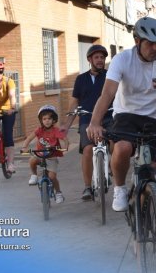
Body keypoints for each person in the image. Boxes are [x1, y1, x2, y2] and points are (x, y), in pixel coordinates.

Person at [85, 17, 156, 251]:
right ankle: (119, 187)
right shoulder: (122, 60)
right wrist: (95, 122)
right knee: (123, 148)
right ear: (137, 40)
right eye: (150, 43)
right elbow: (108, 93)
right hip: (126, 114)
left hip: (154, 118)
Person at [61, 44, 111, 201]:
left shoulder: (110, 77)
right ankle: (87, 187)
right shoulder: (81, 79)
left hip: (109, 118)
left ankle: (114, 174)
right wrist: (66, 126)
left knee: (117, 145)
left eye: (102, 57)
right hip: (87, 120)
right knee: (88, 150)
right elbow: (74, 102)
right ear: (89, 59)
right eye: (96, 57)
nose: (100, 60)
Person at [21, 105, 69, 204]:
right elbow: (29, 138)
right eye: (44, 119)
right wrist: (24, 147)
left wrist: (66, 147)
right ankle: (34, 175)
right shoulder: (39, 130)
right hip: (40, 155)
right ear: (41, 120)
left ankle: (58, 192)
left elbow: (64, 139)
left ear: (54, 120)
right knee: (32, 160)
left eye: (49, 118)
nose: (47, 121)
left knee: (52, 176)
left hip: (52, 157)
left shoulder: (55, 130)